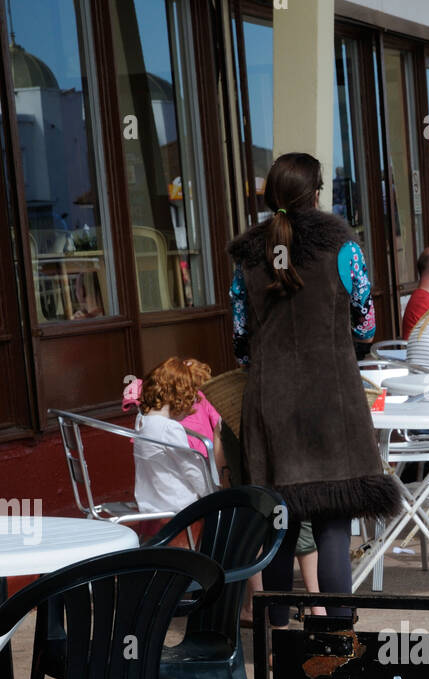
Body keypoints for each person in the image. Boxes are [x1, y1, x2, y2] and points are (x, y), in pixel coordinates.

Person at [228, 151, 399, 622]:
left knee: (277, 528)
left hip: (269, 404)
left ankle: (277, 639)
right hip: (334, 400)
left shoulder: (246, 258)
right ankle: (340, 637)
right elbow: (365, 324)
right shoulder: (344, 249)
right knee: (334, 528)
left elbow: (241, 343)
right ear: (317, 192)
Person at [131, 358, 223, 528]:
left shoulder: (141, 421)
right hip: (176, 504)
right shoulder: (169, 428)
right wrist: (214, 494)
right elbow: (192, 470)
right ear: (179, 398)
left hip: (150, 502)